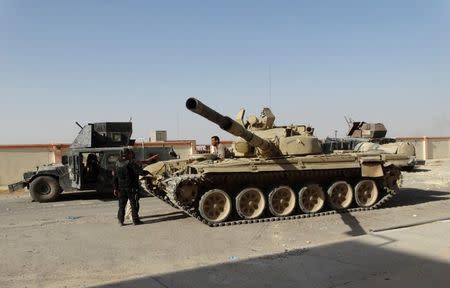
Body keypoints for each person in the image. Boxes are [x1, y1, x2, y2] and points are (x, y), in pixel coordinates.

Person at [113, 148, 150, 226]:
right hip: (131, 187)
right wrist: (149, 173)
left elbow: (115, 177)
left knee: (121, 205)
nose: (131, 155)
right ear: (127, 154)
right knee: (134, 204)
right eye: (130, 154)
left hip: (121, 188)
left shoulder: (117, 163)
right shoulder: (130, 163)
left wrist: (115, 188)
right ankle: (135, 220)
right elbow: (139, 172)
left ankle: (120, 221)